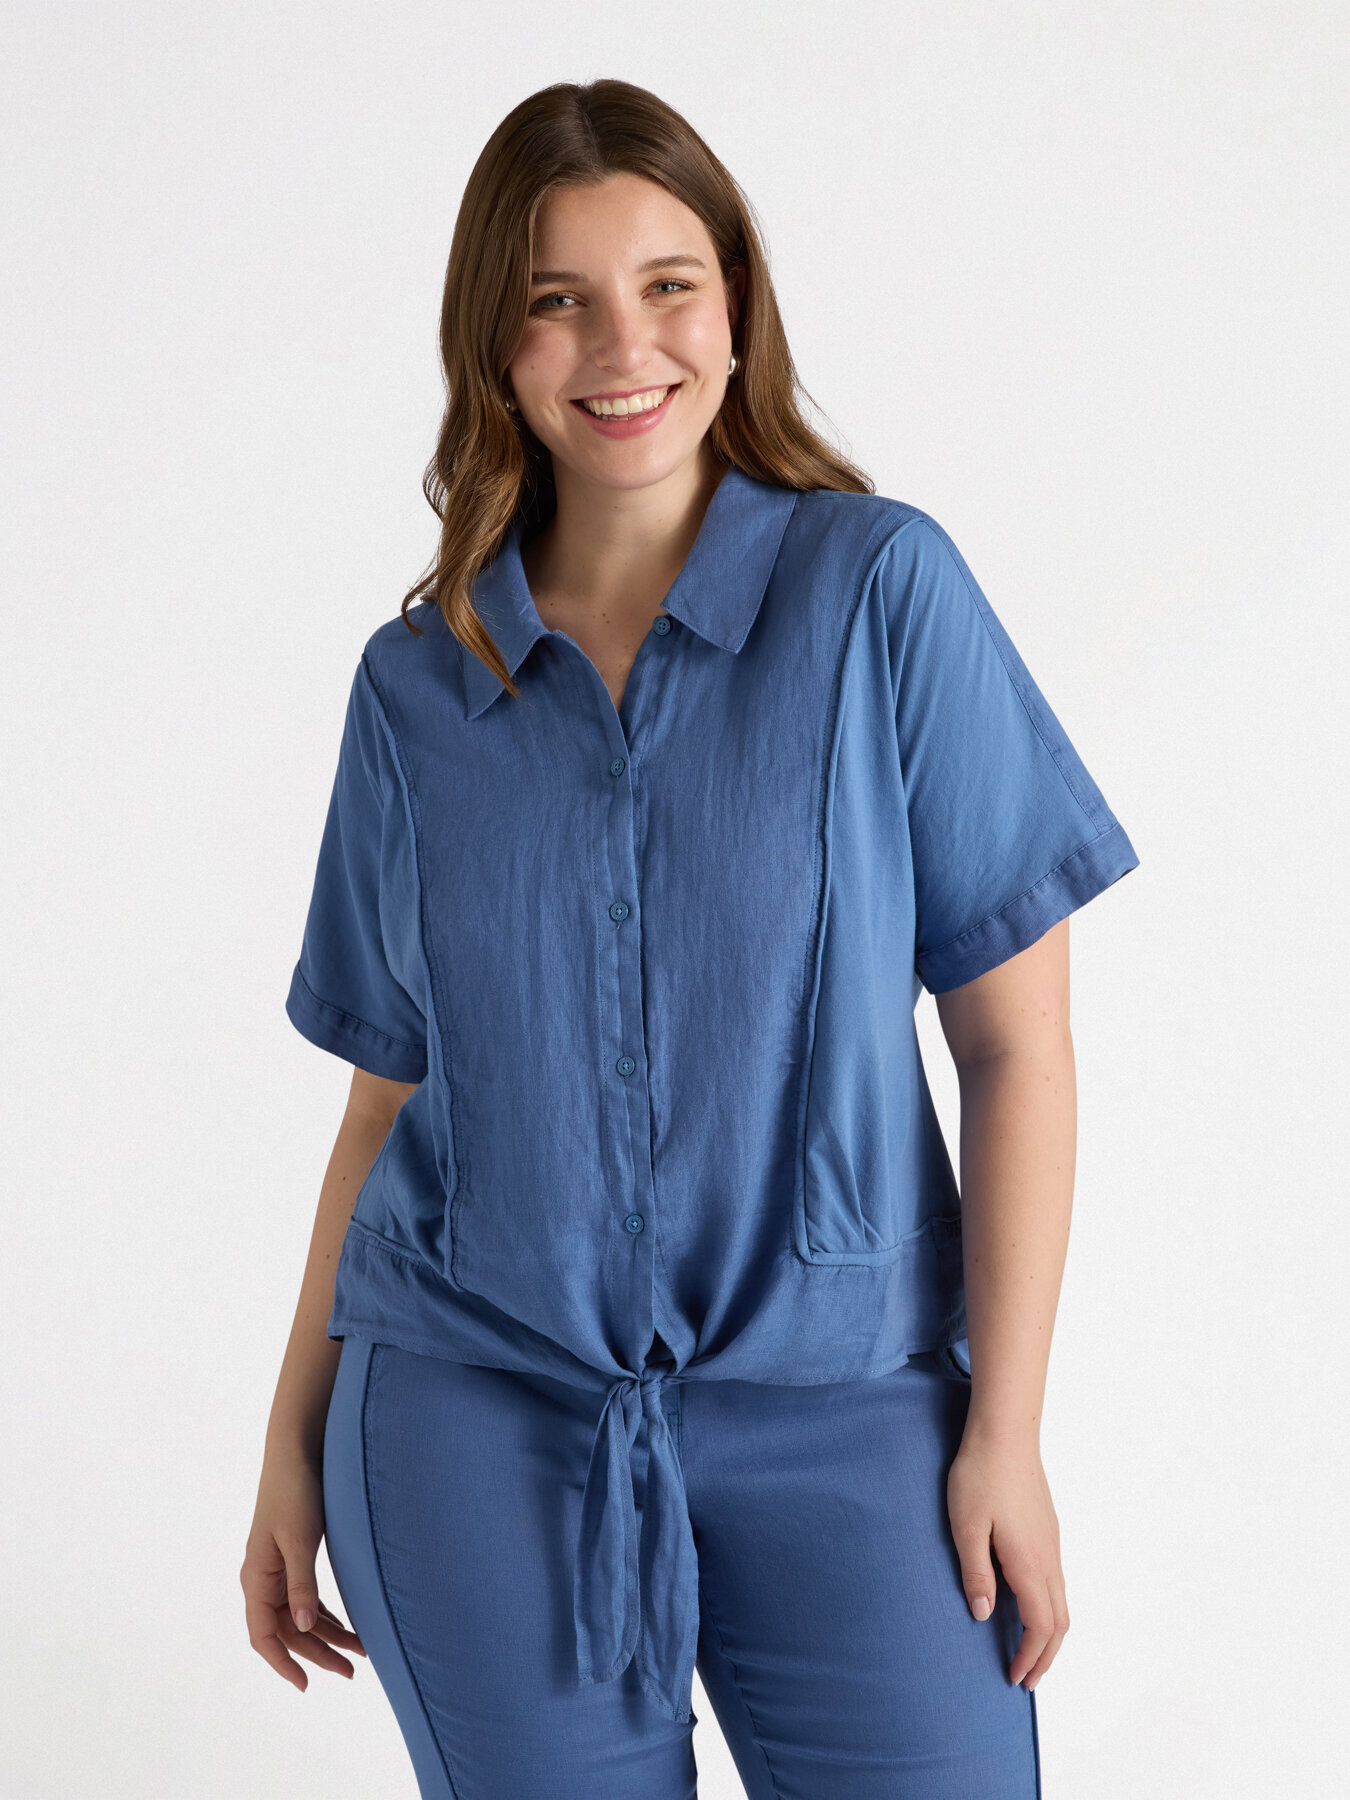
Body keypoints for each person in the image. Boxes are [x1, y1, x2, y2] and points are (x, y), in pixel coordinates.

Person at [241, 77, 1139, 1799]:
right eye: (555, 299)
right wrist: (288, 1441)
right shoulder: (415, 685)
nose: (620, 346)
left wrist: (1005, 1431)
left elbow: (1016, 1046)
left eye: (666, 284)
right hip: (469, 1417)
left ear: (734, 306)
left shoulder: (878, 593)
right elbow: (383, 1102)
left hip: (854, 1412)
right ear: (494, 345)